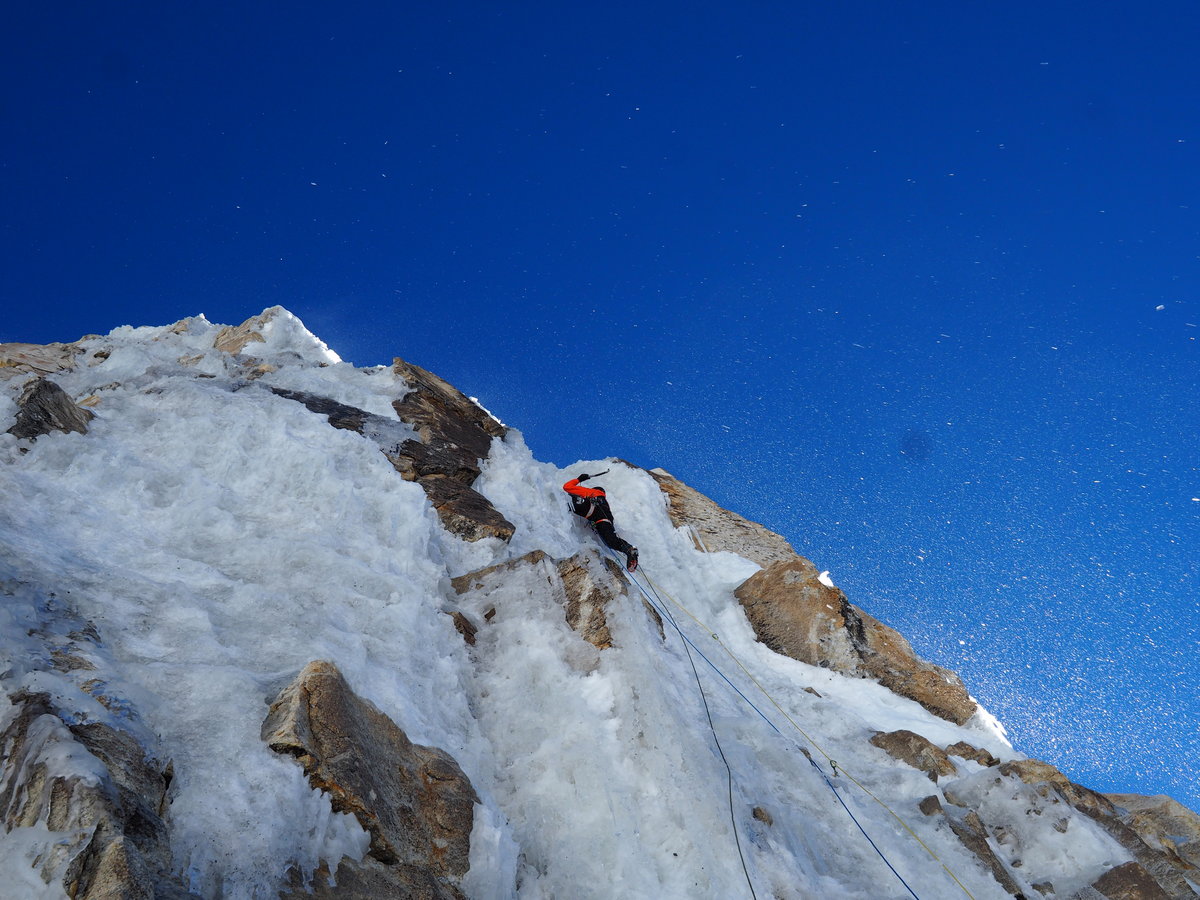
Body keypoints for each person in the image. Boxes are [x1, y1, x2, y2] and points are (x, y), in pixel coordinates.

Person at [563, 472, 639, 572]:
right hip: (605, 520)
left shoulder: (590, 492)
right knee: (611, 541)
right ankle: (628, 549)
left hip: (595, 515)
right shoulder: (604, 502)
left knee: (573, 499)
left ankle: (629, 549)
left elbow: (566, 486)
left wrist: (579, 479)